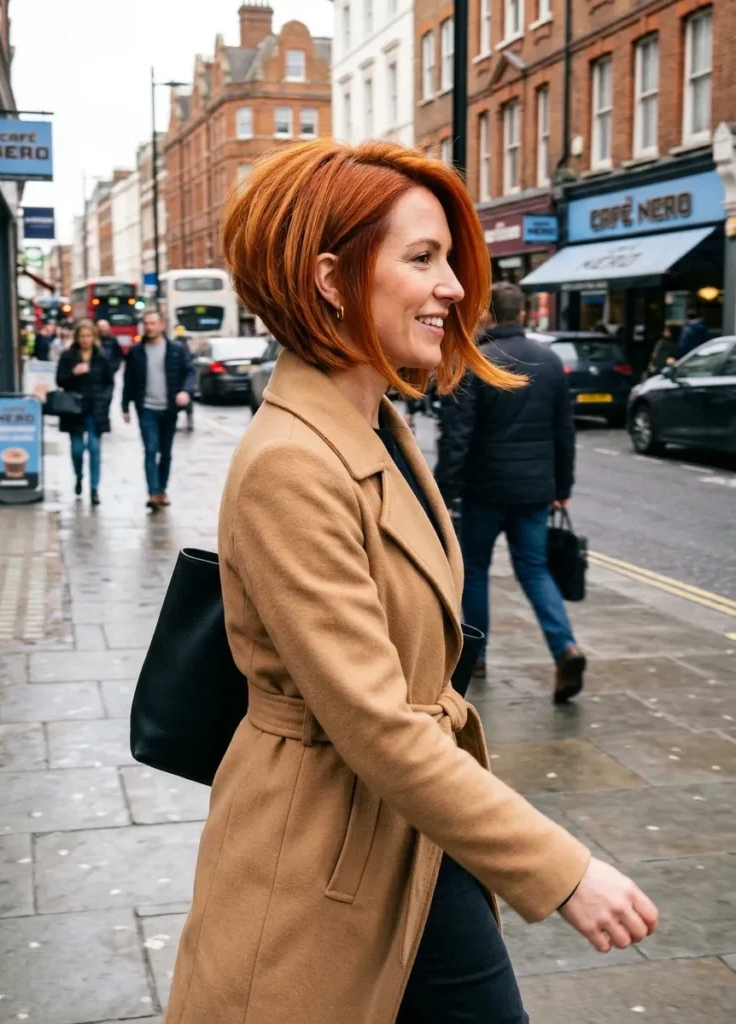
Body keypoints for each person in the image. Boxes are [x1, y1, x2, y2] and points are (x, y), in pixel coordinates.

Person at [164, 140, 658, 1024]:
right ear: (329, 276)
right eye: (422, 259)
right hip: (325, 850)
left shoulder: (376, 425)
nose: (455, 288)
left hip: (418, 830)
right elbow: (372, 719)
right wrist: (562, 868)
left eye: (450, 261)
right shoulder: (292, 460)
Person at [435, 281, 586, 703]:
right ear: (524, 313)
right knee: (535, 569)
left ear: (489, 315)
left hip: (484, 490)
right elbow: (564, 431)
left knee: (476, 571)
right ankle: (565, 648)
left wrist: (442, 492)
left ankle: (476, 656)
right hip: (536, 490)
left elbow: (456, 438)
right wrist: (562, 486)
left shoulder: (474, 361)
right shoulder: (551, 361)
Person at [121, 310, 193, 511]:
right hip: (146, 408)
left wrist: (185, 392)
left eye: (153, 323)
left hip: (169, 409)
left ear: (162, 325)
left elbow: (189, 372)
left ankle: (162, 490)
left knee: (166, 452)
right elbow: (129, 380)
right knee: (151, 450)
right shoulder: (137, 351)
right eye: (146, 323)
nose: (149, 327)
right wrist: (125, 406)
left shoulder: (176, 349)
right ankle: (153, 493)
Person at [55, 319, 113, 506]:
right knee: (77, 449)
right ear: (77, 338)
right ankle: (79, 476)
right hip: (74, 408)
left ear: (94, 337)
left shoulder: (101, 357)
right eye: (82, 336)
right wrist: (74, 373)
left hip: (95, 409)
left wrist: (104, 400)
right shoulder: (68, 357)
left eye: (89, 336)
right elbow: (60, 381)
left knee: (95, 448)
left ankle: (94, 488)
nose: (86, 340)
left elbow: (109, 383)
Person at [173, 325, 194, 431]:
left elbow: (189, 367)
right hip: (177, 379)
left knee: (187, 403)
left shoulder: (183, 342)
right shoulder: (177, 342)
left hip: (183, 378)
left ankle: (190, 422)